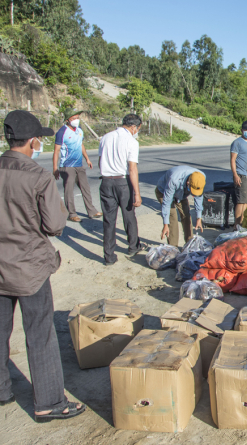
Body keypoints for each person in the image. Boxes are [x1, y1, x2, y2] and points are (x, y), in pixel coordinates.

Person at [0, 110, 87, 422]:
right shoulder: (36, 176)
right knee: (40, 331)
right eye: (40, 138)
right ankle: (49, 401)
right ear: (33, 140)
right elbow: (53, 225)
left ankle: (2, 389)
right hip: (29, 266)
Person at [98, 114, 146, 266]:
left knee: (108, 220)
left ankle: (109, 257)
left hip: (106, 181)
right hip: (122, 182)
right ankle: (133, 246)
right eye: (138, 128)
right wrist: (137, 193)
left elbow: (100, 161)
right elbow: (132, 168)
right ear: (133, 127)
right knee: (129, 216)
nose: (137, 131)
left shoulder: (105, 137)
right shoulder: (131, 142)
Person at [52, 108, 102, 222]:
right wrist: (55, 168)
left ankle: (92, 211)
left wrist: (87, 159)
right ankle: (71, 213)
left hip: (79, 164)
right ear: (68, 120)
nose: (76, 120)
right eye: (74, 118)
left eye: (78, 118)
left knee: (86, 188)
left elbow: (81, 145)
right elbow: (56, 151)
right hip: (67, 166)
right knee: (69, 190)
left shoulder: (79, 130)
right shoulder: (62, 132)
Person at [155, 166, 206, 247]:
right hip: (164, 191)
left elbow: (198, 197)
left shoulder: (201, 177)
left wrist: (199, 218)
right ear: (188, 183)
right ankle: (173, 247)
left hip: (181, 194)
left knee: (186, 214)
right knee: (172, 217)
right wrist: (165, 224)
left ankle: (189, 244)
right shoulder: (174, 180)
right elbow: (166, 203)